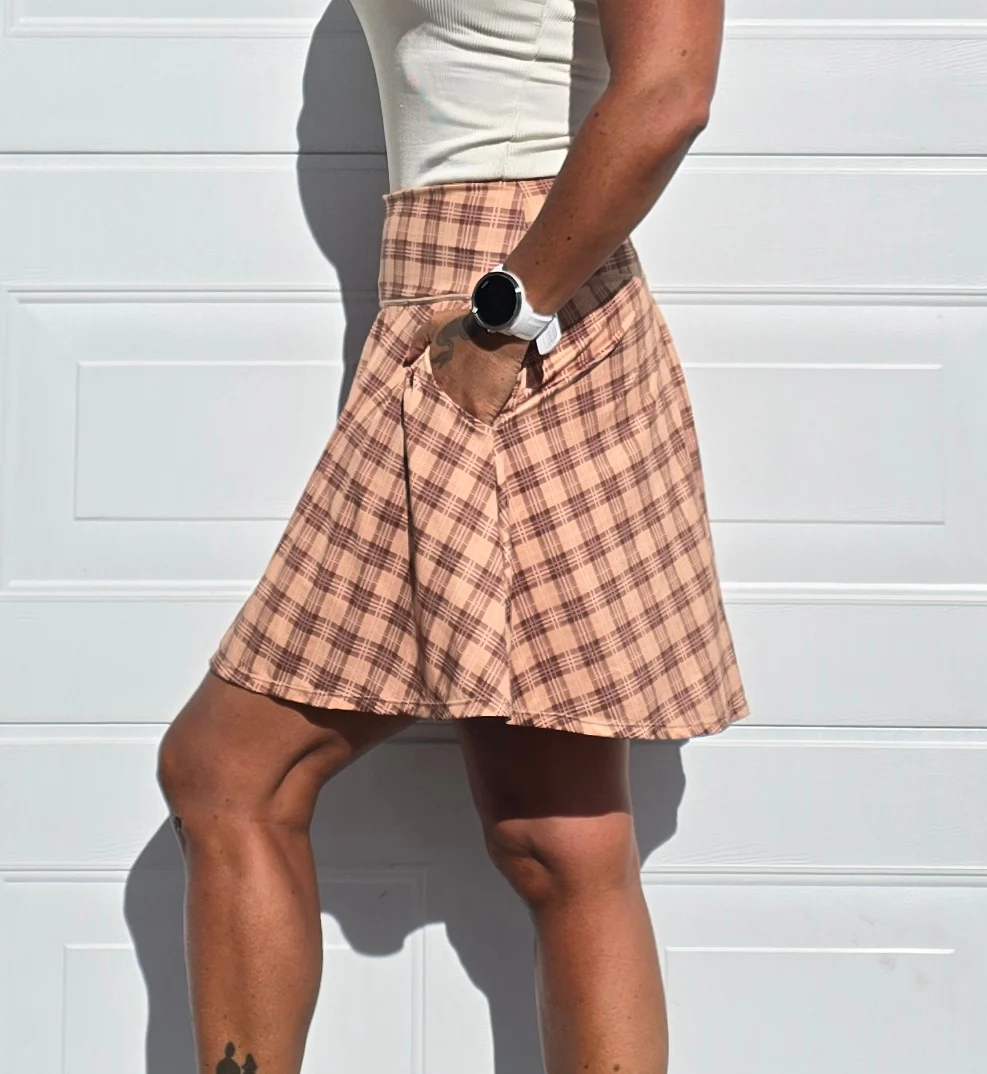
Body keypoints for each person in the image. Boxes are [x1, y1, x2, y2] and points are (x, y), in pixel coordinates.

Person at [157, 0, 749, 1070]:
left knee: (229, 772)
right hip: (466, 307)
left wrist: (502, 319)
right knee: (555, 837)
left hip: (520, 309)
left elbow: (668, 91)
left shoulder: (502, 316)